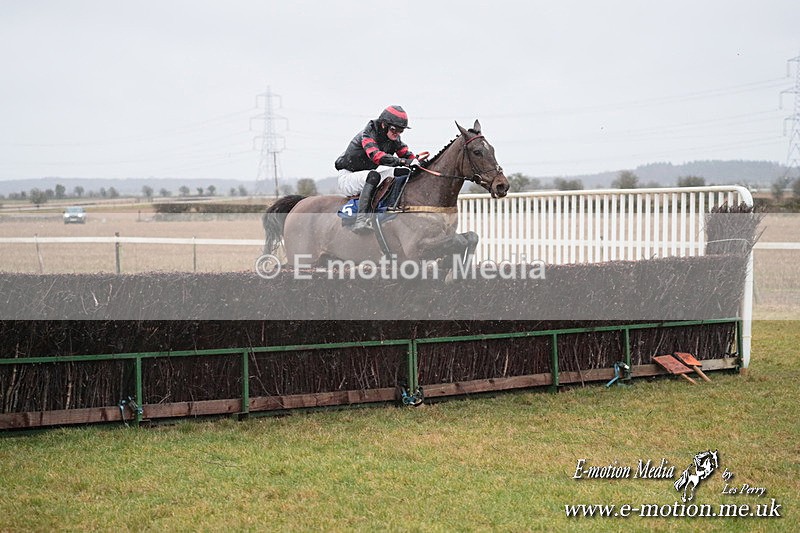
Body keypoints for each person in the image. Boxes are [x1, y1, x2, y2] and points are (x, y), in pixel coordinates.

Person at [335, 105, 419, 233]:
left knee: (405, 172)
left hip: (365, 174)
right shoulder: (368, 133)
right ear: (384, 125)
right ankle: (361, 220)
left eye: (401, 131)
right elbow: (377, 157)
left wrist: (419, 162)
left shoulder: (394, 138)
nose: (397, 134)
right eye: (394, 130)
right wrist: (403, 161)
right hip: (348, 177)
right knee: (374, 175)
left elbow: (407, 155)